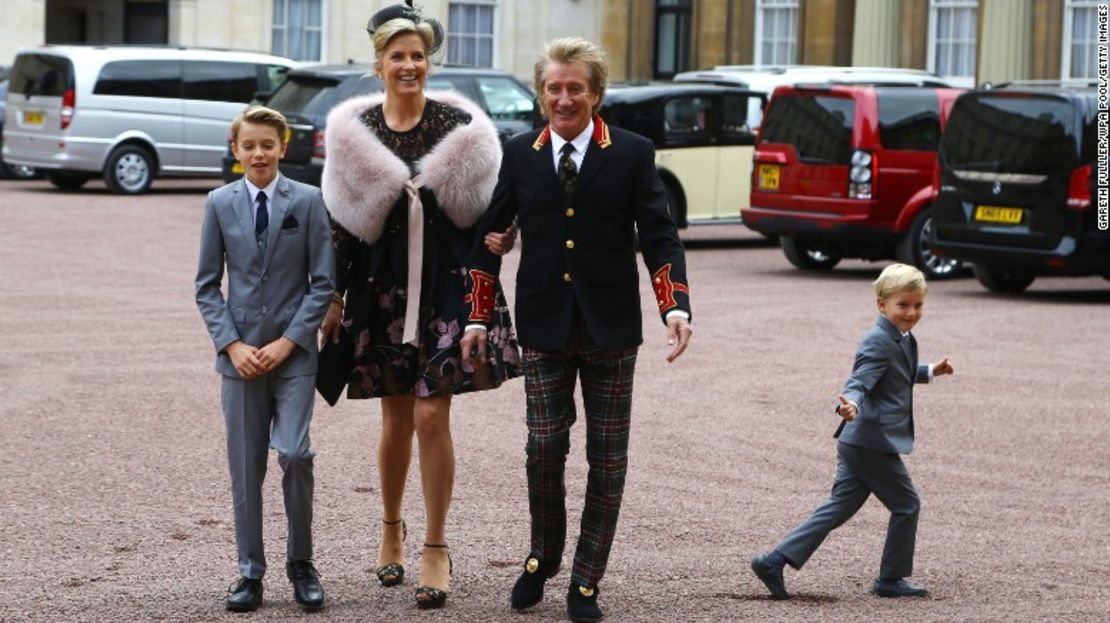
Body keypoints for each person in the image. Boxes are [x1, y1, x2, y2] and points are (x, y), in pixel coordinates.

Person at [459, 37, 693, 623]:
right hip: (543, 324)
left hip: (612, 328)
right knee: (543, 447)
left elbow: (660, 233)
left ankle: (586, 580)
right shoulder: (519, 153)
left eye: (575, 88)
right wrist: (477, 314)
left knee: (608, 459)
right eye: (554, 88)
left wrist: (674, 306)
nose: (564, 99)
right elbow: (488, 239)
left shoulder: (634, 152)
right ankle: (543, 554)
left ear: (596, 93)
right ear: (541, 93)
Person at [318, 2, 520, 610]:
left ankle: (435, 545)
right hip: (381, 288)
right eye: (397, 55)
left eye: (418, 55)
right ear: (378, 64)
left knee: (434, 416)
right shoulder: (354, 136)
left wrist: (504, 240)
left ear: (429, 61)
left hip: (447, 288)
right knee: (394, 418)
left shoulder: (462, 128)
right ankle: (389, 530)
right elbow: (341, 228)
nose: (409, 65)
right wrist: (331, 295)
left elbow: (493, 210)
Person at [195, 105, 335, 612]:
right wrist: (232, 345)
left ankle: (302, 561)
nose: (258, 153)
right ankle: (249, 572)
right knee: (245, 465)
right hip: (240, 357)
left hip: (293, 356)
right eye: (248, 145)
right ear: (236, 150)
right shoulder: (218, 203)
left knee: (295, 453)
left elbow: (323, 283)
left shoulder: (310, 200)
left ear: (283, 148)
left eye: (267, 145)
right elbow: (207, 285)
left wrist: (290, 340)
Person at [751, 263, 955, 601]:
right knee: (907, 504)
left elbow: (898, 372)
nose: (911, 312)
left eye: (918, 305)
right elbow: (859, 382)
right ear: (881, 305)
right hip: (870, 441)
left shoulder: (901, 337)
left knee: (839, 506)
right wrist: (851, 406)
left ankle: (774, 561)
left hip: (859, 441)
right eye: (903, 305)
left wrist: (931, 370)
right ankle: (891, 579)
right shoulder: (877, 341)